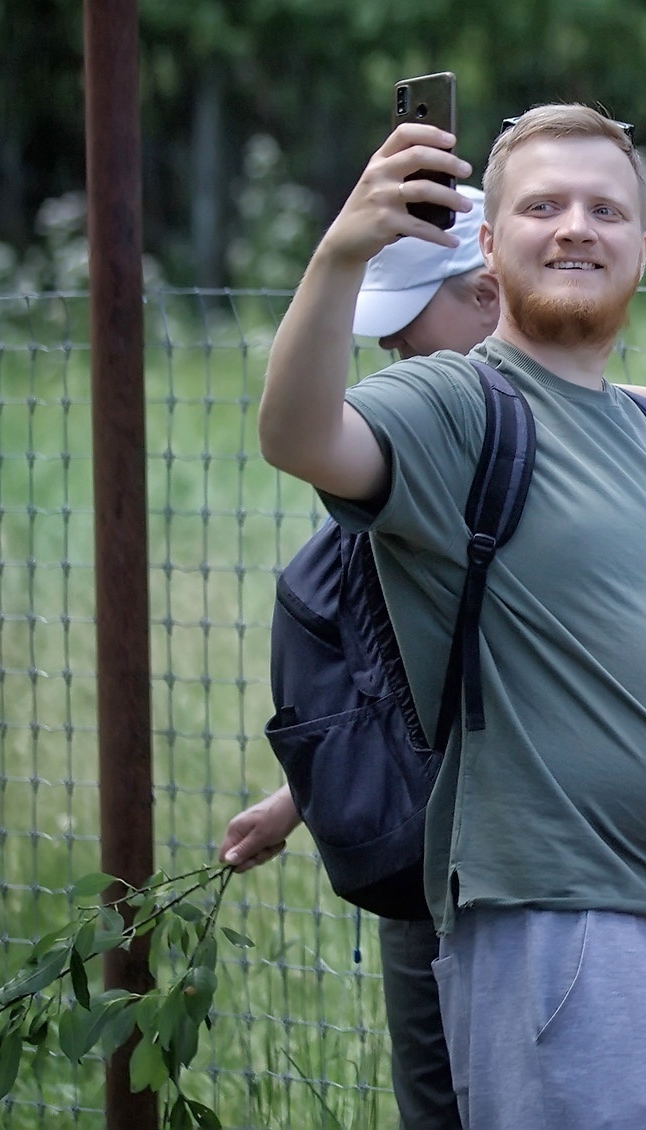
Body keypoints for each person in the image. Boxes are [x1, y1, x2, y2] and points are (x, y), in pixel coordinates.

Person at [255, 105, 646, 1128]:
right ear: (491, 248)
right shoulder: (458, 404)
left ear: (642, 245)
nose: (576, 227)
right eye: (542, 205)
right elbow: (298, 433)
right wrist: (341, 254)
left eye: (606, 208)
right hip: (566, 927)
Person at [222, 188, 499, 1130]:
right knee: (434, 1096)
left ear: (490, 294)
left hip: (534, 865)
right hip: (429, 847)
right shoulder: (411, 458)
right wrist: (299, 799)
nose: (391, 355)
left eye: (407, 328)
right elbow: (402, 668)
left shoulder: (580, 438)